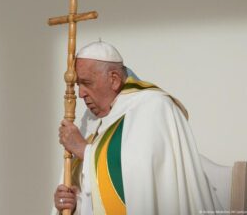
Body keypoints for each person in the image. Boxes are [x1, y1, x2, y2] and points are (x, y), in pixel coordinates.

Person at [52, 41, 222, 215]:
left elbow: (139, 183)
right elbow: (98, 198)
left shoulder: (153, 106)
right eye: (79, 84)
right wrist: (74, 203)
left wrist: (84, 151)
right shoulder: (91, 120)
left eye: (87, 83)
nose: (81, 94)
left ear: (114, 80)